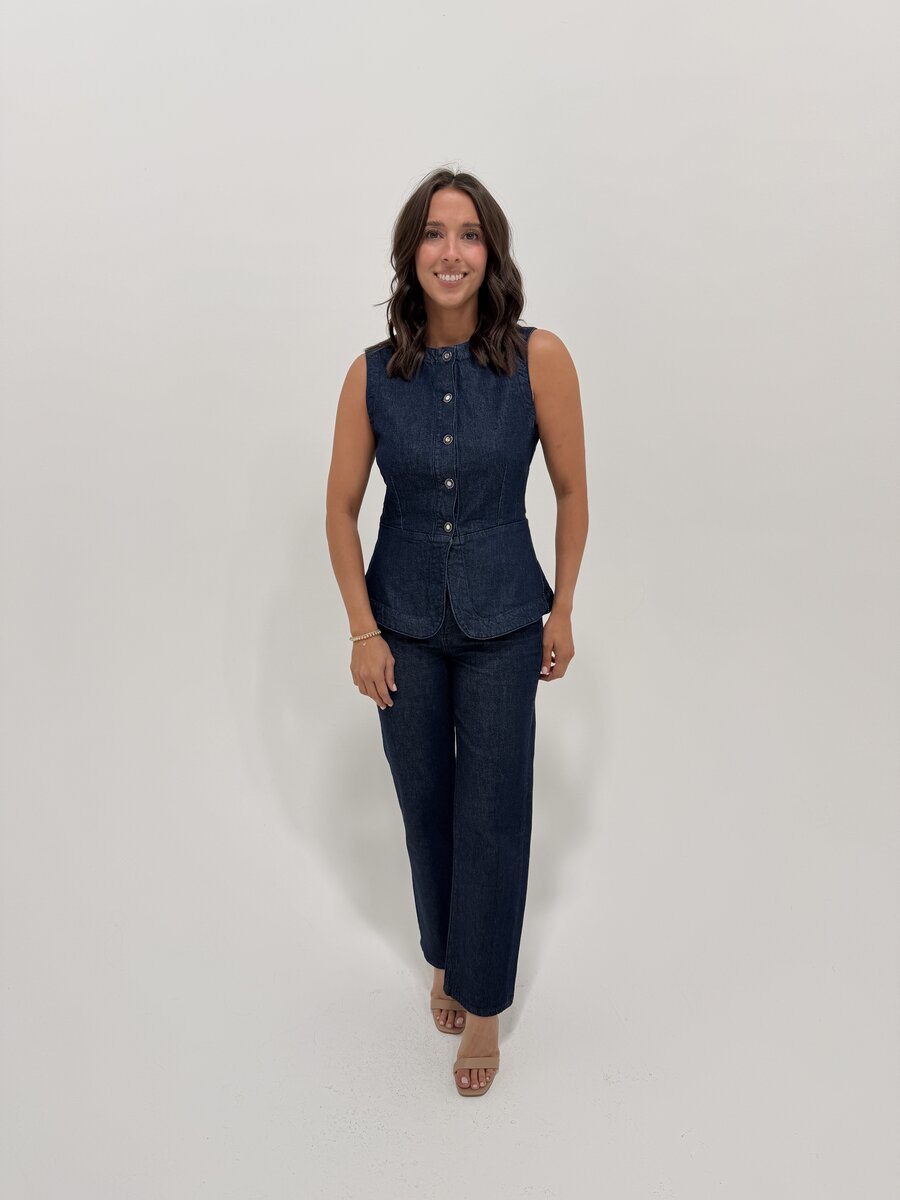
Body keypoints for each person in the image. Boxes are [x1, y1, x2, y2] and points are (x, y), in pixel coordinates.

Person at [325, 167, 588, 1097]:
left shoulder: (538, 358)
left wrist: (563, 607)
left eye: (469, 234)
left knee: (493, 811)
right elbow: (340, 509)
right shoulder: (370, 374)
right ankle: (444, 950)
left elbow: (571, 490)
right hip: (401, 623)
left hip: (506, 618)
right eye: (434, 234)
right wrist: (363, 632)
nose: (451, 252)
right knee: (424, 802)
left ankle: (482, 1005)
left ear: (491, 252)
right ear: (411, 254)